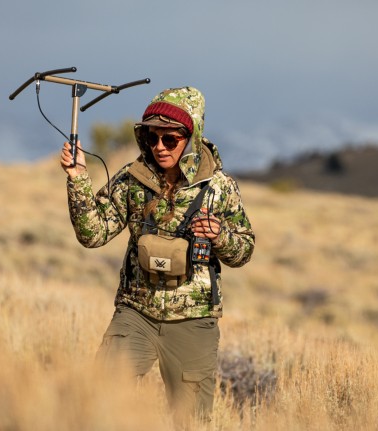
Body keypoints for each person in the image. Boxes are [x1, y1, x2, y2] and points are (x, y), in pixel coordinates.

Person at [60, 86, 255, 423]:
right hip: (136, 314)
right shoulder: (131, 180)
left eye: (170, 140)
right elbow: (93, 235)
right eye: (152, 138)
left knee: (191, 421)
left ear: (191, 137)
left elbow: (244, 250)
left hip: (194, 322)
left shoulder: (219, 187)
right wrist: (78, 177)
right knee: (97, 400)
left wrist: (219, 235)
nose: (159, 147)